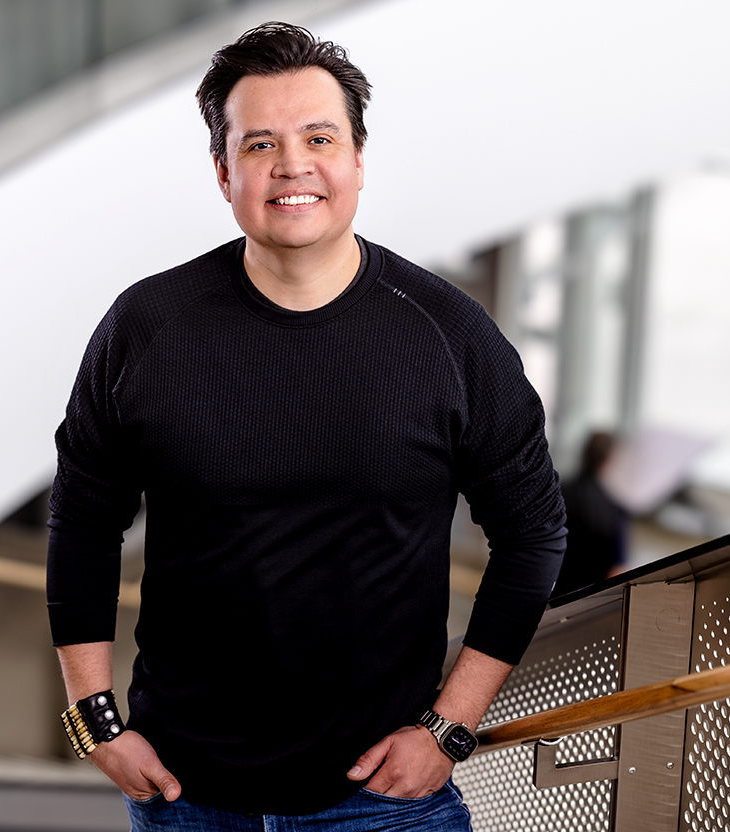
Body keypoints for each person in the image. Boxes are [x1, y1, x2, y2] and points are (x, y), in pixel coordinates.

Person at [46, 22, 566, 830]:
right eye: (260, 145)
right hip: (185, 795)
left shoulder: (450, 336)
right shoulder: (145, 328)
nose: (293, 166)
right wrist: (95, 721)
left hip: (380, 800)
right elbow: (82, 522)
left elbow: (533, 532)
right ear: (224, 172)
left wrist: (449, 727)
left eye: (319, 139)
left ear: (358, 159)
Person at [553, 432, 628, 597]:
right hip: (586, 601)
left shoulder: (556, 492)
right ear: (609, 460)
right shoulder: (614, 510)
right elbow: (616, 572)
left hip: (550, 593)